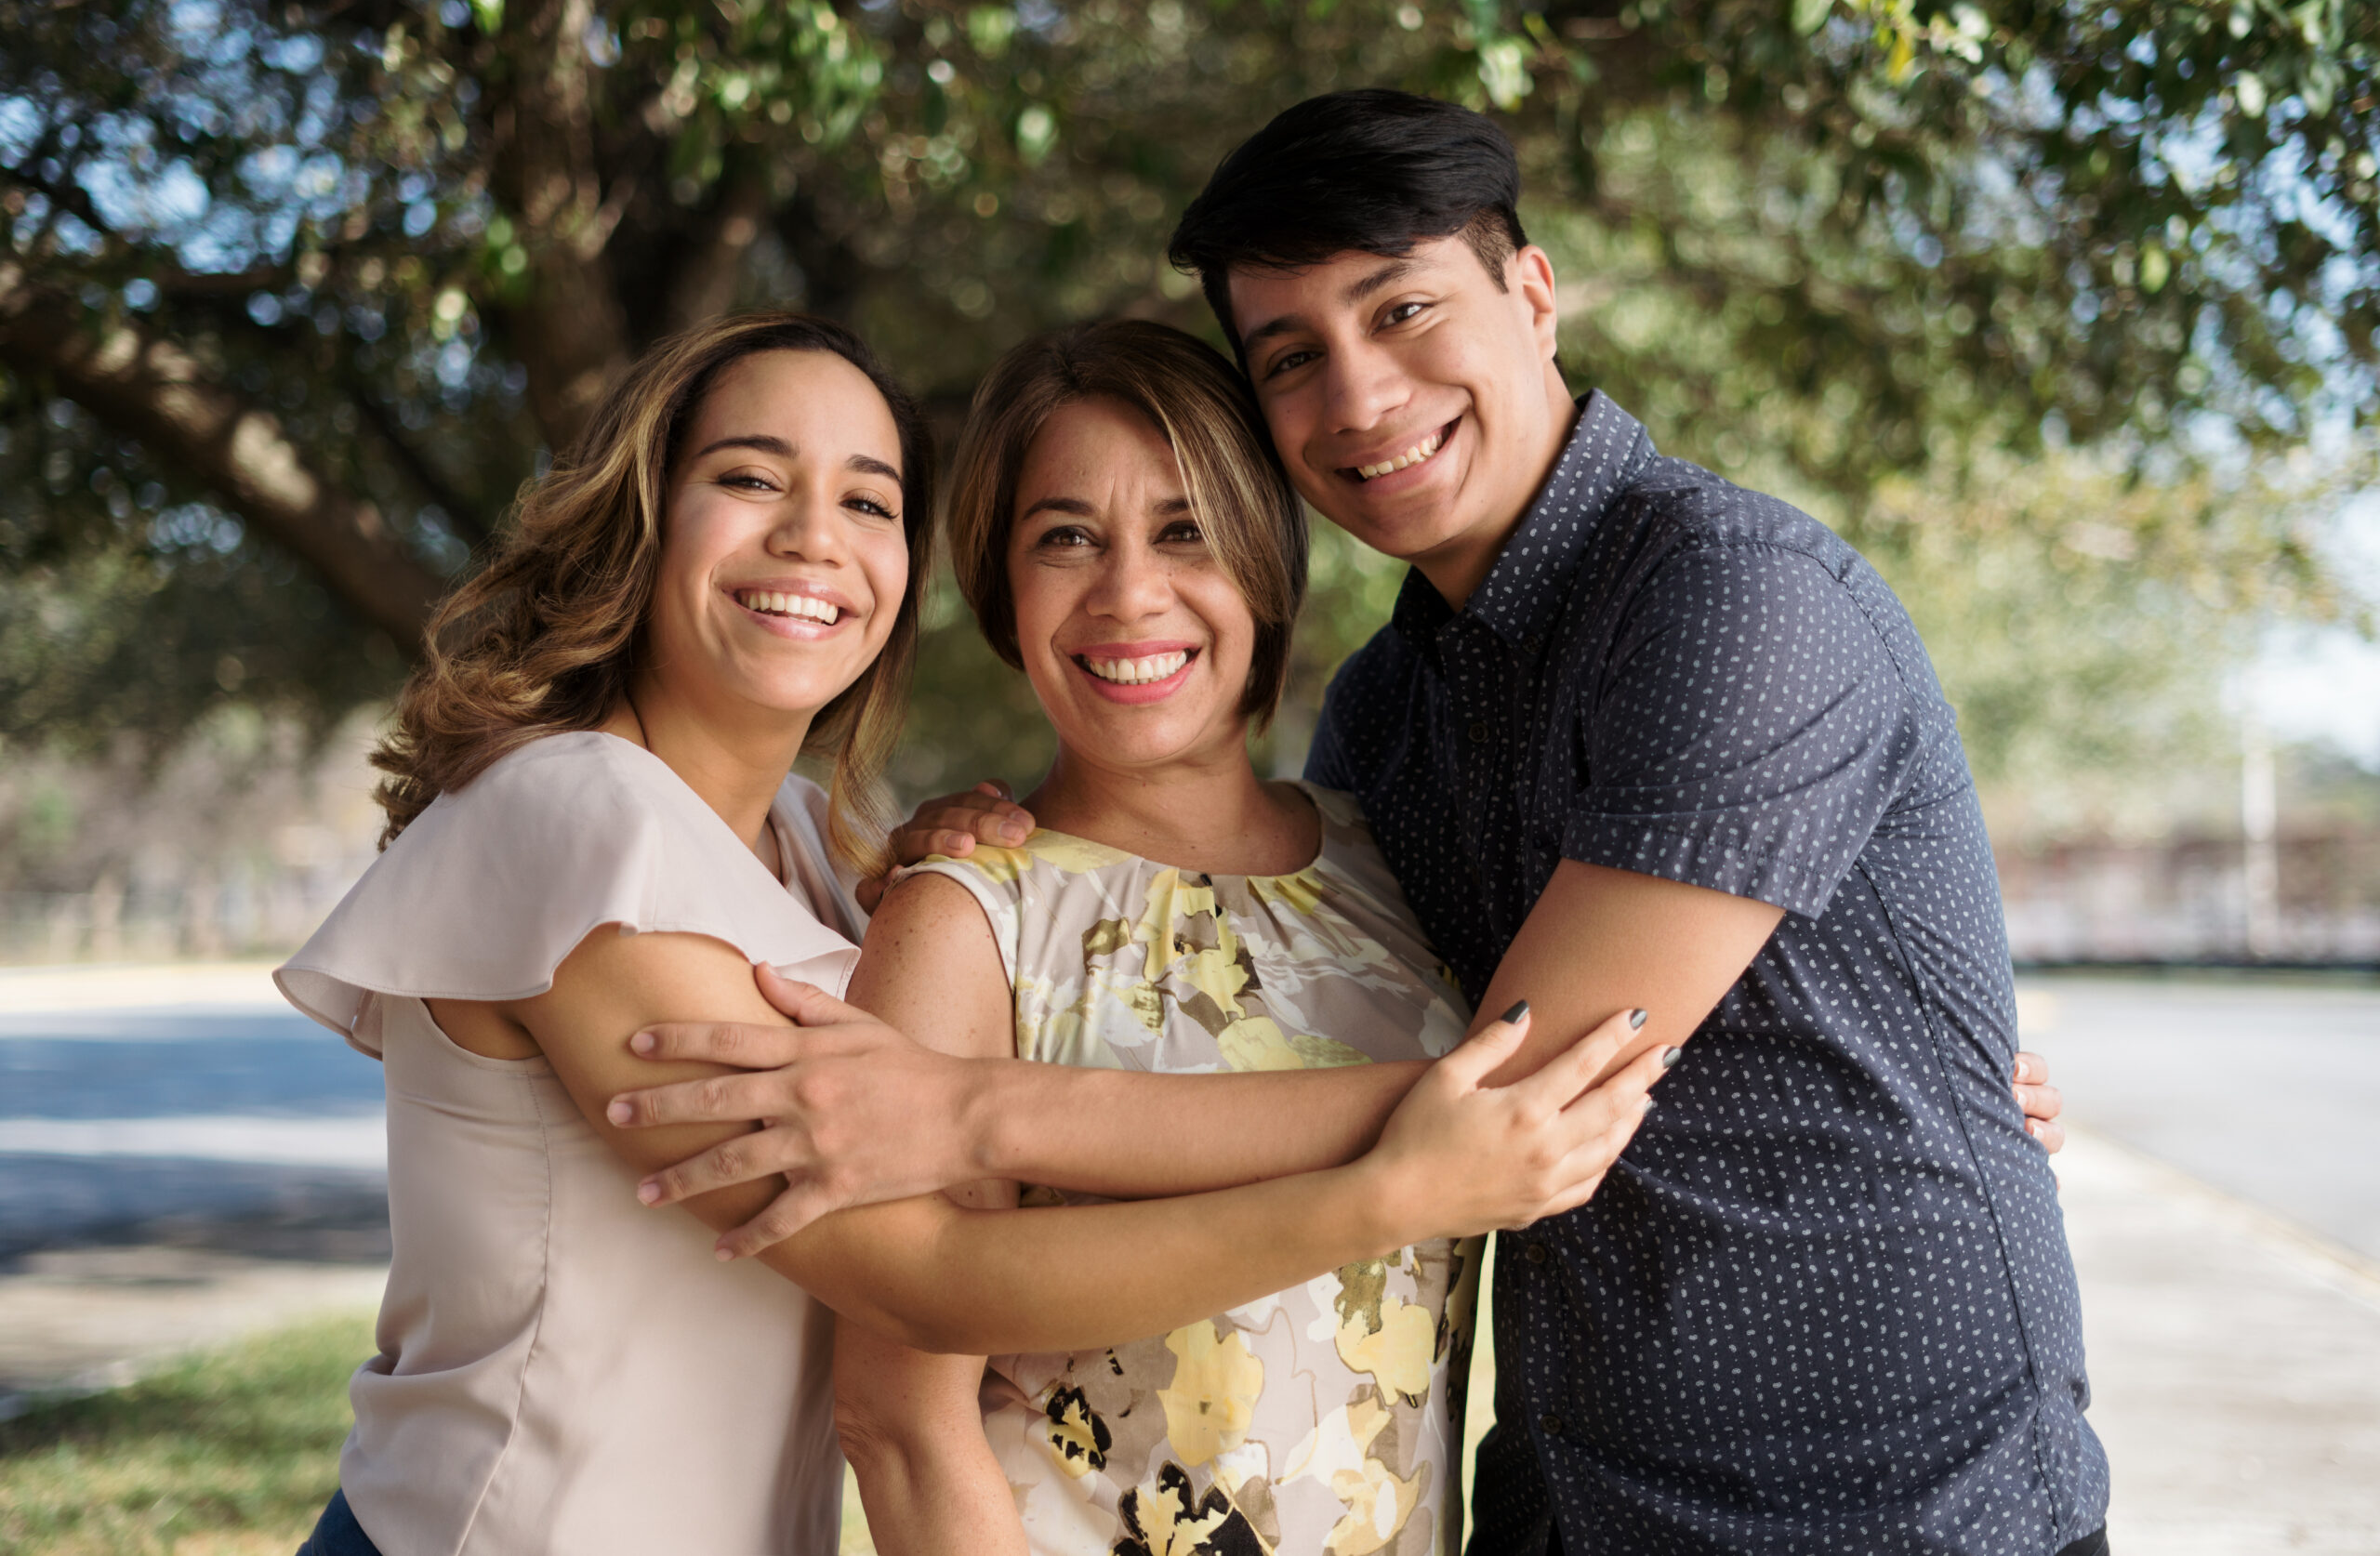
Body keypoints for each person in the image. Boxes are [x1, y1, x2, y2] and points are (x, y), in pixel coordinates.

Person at [620, 91, 2100, 1556]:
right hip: (1573, 1510)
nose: (1361, 397)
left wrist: (962, 1105)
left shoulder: (1733, 602)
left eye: (1402, 312)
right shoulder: (1384, 726)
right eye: (1292, 357)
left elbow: (1523, 1078)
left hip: (1893, 1509)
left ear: (1533, 292)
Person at [273, 310, 1657, 1556]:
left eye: (867, 502)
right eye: (750, 478)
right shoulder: (575, 818)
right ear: (646, 515)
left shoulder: (813, 849)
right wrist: (1410, 1170)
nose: (814, 538)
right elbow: (921, 1284)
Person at [831, 320, 1662, 1554]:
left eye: (1186, 530)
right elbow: (902, 1426)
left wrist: (1965, 1090)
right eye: (1065, 537)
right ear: (1004, 592)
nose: (1128, 592)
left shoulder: (1395, 862)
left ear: (1266, 562)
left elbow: (1621, 1053)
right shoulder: (964, 919)